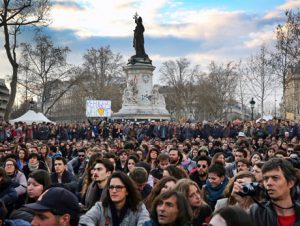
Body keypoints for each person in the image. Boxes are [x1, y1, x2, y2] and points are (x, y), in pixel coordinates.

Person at [79, 171, 150, 226]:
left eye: (118, 187)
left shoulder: (139, 207)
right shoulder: (100, 207)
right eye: (111, 187)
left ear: (127, 191)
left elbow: (145, 223)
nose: (114, 191)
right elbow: (85, 220)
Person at [250, 158, 300, 226]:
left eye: (275, 178)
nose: (269, 183)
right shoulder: (256, 212)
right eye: (266, 179)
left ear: (290, 183)